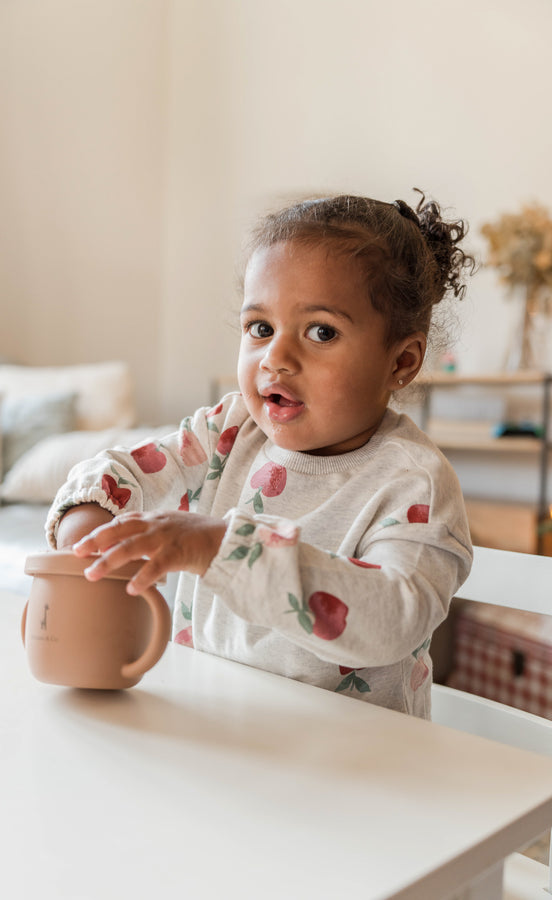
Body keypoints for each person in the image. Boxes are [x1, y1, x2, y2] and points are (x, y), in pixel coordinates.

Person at [47, 190, 476, 718]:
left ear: (401, 362)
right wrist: (88, 523)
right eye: (261, 328)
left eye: (321, 332)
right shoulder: (228, 431)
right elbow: (122, 472)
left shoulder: (414, 483)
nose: (276, 357)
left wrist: (219, 547)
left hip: (352, 754)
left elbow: (393, 617)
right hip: (211, 723)